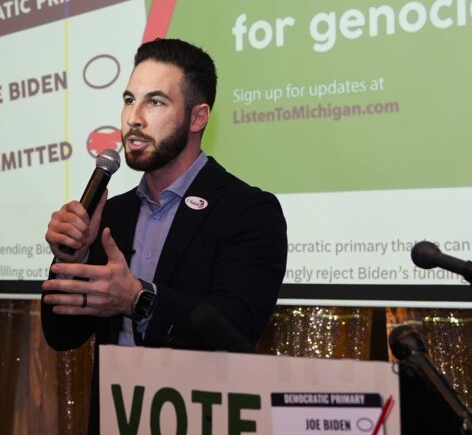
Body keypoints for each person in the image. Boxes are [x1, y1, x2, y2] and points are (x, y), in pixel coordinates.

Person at [41, 38, 287, 433]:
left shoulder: (247, 210)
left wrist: (139, 299)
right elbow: (60, 334)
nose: (133, 118)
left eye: (155, 102)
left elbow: (237, 327)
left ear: (197, 117)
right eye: (128, 100)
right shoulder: (112, 214)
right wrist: (76, 256)